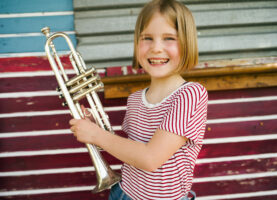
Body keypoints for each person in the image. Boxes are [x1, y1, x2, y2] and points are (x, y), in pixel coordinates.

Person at [69, 0, 208, 199]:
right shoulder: (135, 98)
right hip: (123, 192)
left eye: (169, 38)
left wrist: (97, 135)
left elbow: (150, 159)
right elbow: (130, 149)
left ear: (188, 43)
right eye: (147, 38)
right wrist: (95, 127)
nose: (156, 48)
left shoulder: (190, 94)